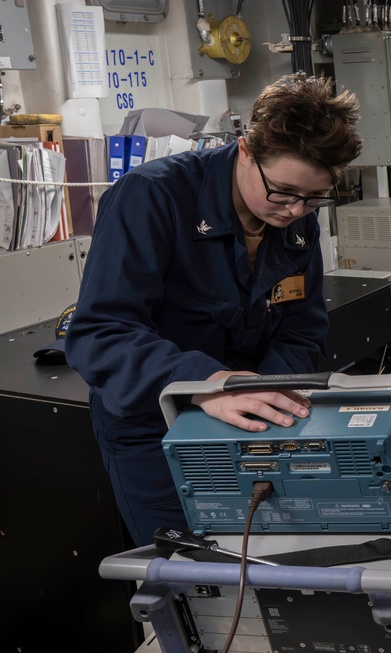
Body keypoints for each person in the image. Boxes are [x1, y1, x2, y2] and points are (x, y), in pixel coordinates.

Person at [65, 73, 363, 548]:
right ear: (245, 150)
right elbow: (101, 334)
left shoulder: (297, 217)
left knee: (272, 558)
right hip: (156, 429)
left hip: (253, 424)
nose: (294, 211)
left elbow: (302, 330)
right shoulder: (152, 196)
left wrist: (266, 398)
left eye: (314, 198)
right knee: (191, 573)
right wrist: (208, 383)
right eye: (283, 191)